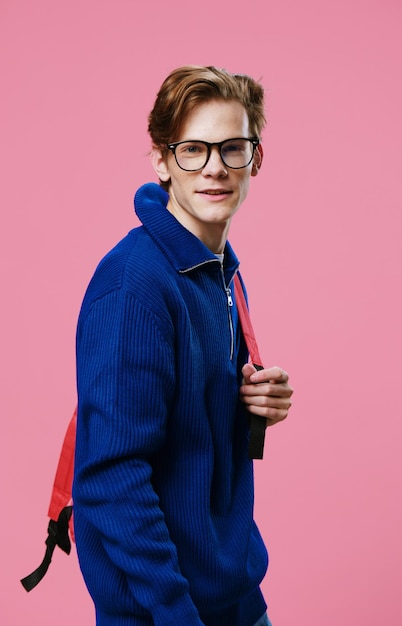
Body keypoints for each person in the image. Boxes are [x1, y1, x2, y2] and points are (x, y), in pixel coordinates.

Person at [73, 65, 293, 626]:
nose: (215, 167)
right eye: (193, 148)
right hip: (163, 611)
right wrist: (175, 613)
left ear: (256, 157)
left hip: (235, 596)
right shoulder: (135, 284)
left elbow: (189, 428)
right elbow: (111, 476)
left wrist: (251, 408)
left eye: (233, 148)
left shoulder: (222, 270)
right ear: (161, 160)